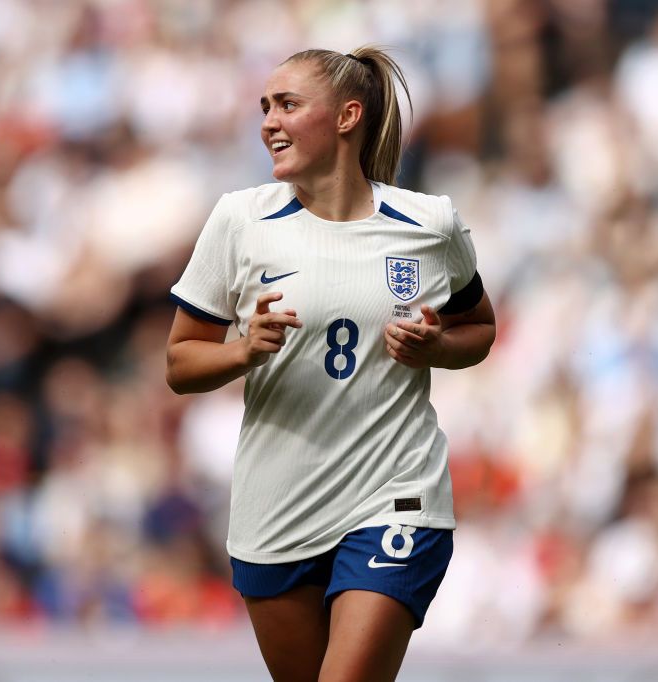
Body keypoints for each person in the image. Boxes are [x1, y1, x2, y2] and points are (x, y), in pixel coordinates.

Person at [165, 45, 495, 682]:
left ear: (347, 117)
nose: (268, 121)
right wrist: (243, 347)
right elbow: (180, 362)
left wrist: (438, 349)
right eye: (264, 106)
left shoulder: (429, 224)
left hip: (396, 495)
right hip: (279, 502)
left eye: (287, 104)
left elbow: (478, 329)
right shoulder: (240, 220)